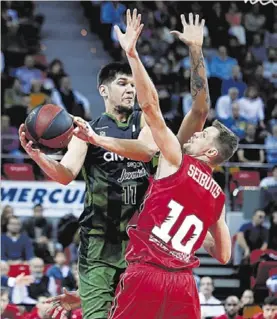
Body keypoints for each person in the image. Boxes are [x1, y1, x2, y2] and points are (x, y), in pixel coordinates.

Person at [47, 10, 238, 319]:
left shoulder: (174, 157)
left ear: (211, 152)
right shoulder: (218, 198)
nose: (198, 132)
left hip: (144, 270)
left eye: (204, 135)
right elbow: (224, 254)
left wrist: (133, 54)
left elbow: (155, 107)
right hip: (182, 281)